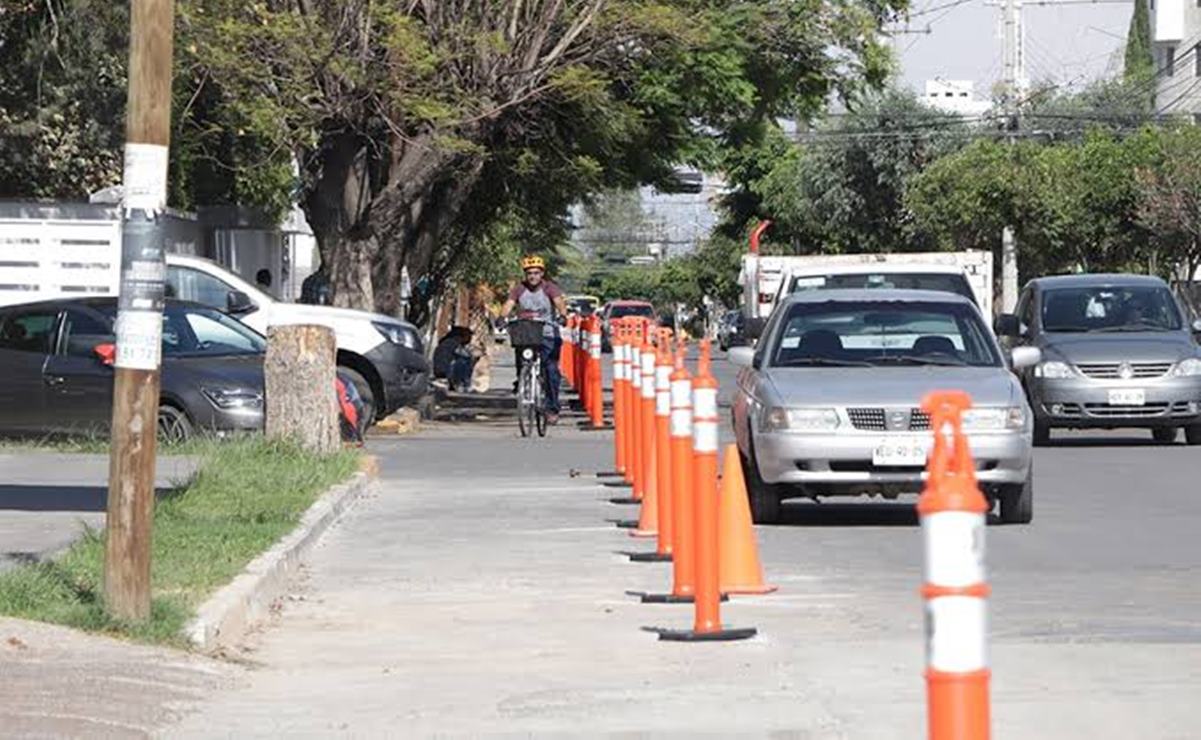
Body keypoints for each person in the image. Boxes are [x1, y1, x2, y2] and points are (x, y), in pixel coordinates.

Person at [499, 255, 567, 423]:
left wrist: (563, 315)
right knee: (522, 356)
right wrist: (502, 317)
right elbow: (509, 304)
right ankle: (521, 379)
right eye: (529, 273)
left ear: (542, 273)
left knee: (551, 370)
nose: (533, 276)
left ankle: (552, 408)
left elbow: (559, 303)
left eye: (536, 273)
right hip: (526, 332)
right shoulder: (519, 289)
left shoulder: (550, 288)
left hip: (548, 334)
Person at [433, 326, 477, 392]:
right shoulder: (453, 343)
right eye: (469, 336)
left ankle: (458, 383)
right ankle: (462, 384)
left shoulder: (448, 342)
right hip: (445, 372)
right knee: (464, 361)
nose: (470, 338)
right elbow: (465, 356)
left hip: (440, 371)